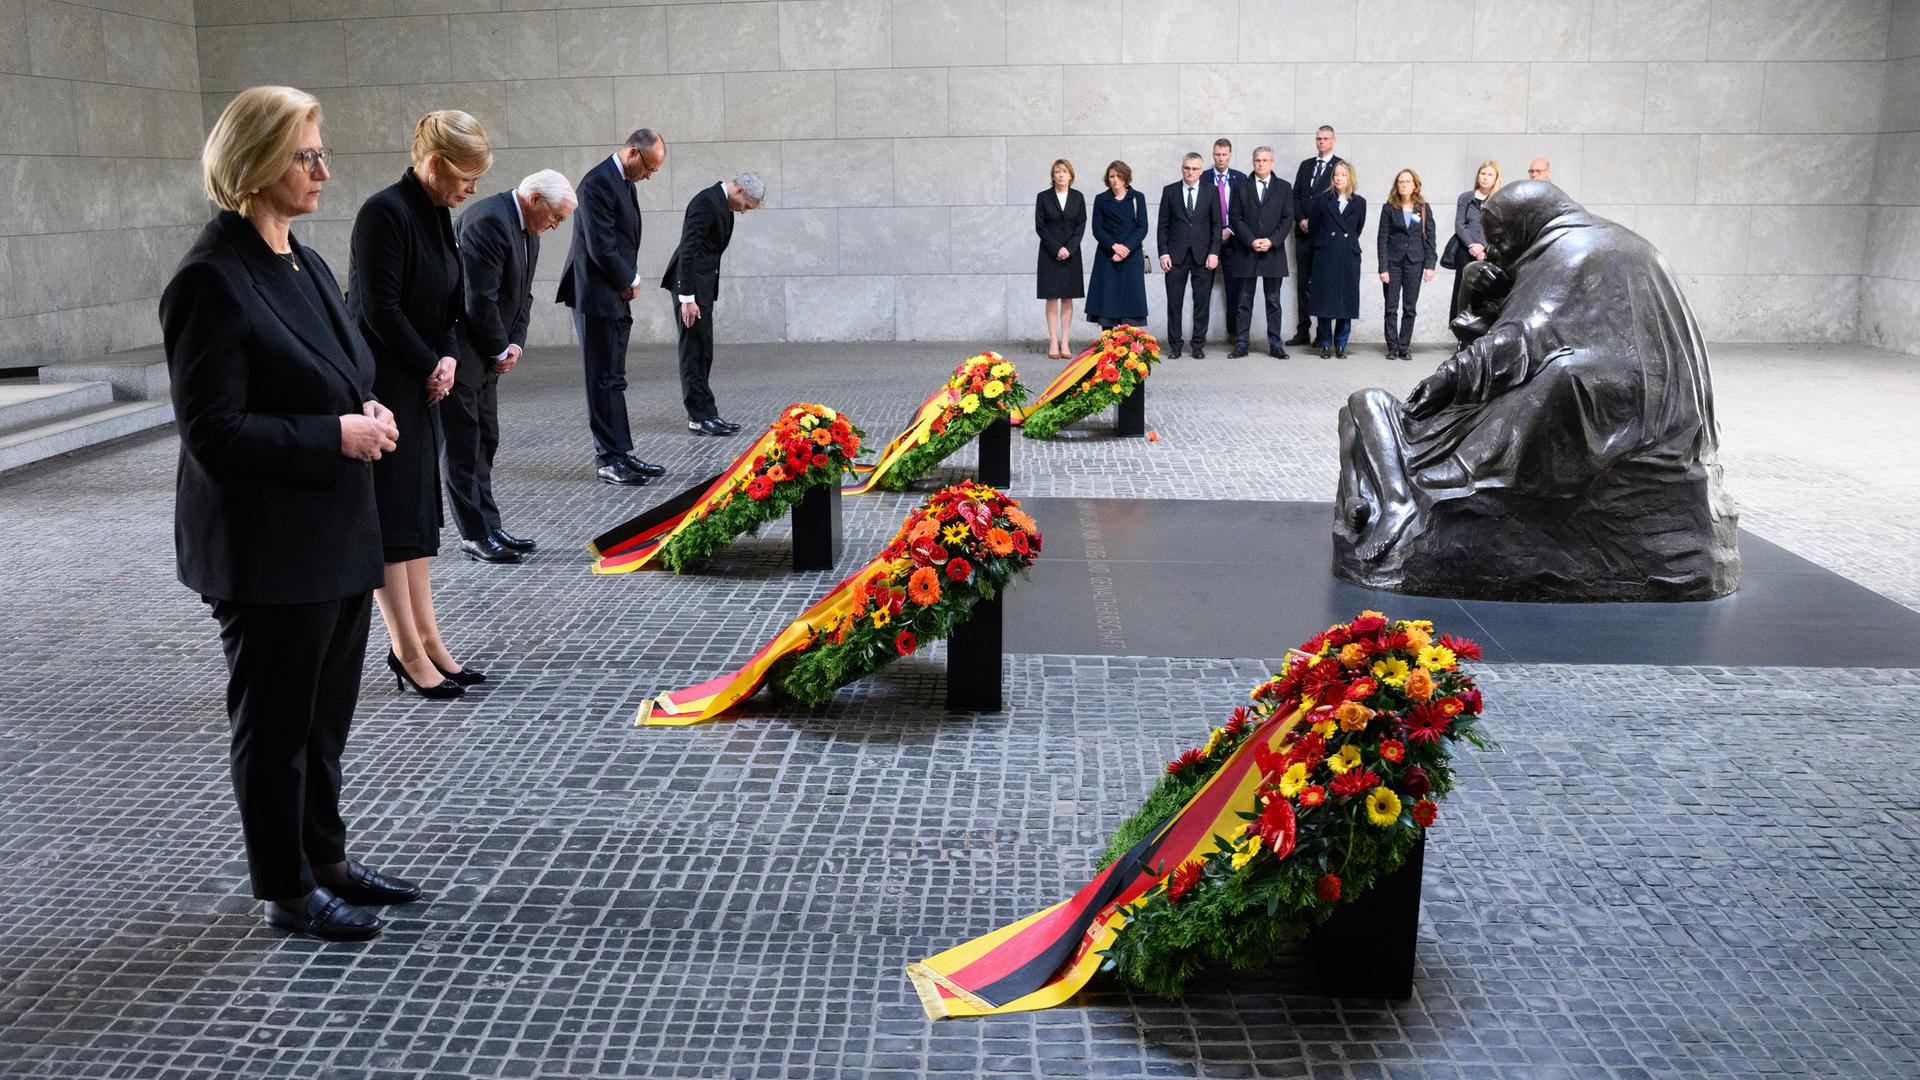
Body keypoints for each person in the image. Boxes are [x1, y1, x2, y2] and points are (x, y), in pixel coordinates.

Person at [163, 84, 419, 942]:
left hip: (335, 536)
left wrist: (370, 413)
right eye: (307, 156)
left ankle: (328, 860)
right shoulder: (210, 278)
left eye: (320, 153)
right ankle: (286, 886)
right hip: (267, 551)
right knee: (276, 732)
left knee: (324, 723)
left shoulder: (301, 260)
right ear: (258, 162)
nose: (323, 170)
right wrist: (332, 435)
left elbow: (342, 369)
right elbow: (213, 432)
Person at [348, 110, 488, 701]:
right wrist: (431, 362)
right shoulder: (385, 213)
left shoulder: (437, 214)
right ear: (433, 164)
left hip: (425, 380)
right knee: (393, 522)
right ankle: (405, 649)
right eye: (466, 178)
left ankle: (430, 640)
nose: (472, 192)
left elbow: (451, 304)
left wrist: (449, 357)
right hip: (387, 388)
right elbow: (376, 308)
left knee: (417, 520)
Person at [446, 169, 575, 564]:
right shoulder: (488, 221)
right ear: (535, 199)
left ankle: (490, 525)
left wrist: (515, 343)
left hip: (489, 353)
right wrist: (500, 349)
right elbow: (478, 299)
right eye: (555, 217)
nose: (554, 227)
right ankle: (474, 535)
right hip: (465, 351)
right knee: (464, 446)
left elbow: (523, 295)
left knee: (487, 439)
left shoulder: (526, 229)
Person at [557, 129, 668, 485]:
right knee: (601, 378)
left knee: (614, 378)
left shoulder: (622, 181)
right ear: (634, 152)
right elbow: (600, 246)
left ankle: (622, 452)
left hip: (611, 295)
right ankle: (607, 458)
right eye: (649, 167)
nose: (649, 175)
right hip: (595, 295)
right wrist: (629, 280)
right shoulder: (597, 183)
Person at [663, 172, 763, 436]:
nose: (743, 212)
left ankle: (707, 412)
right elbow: (688, 249)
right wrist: (687, 298)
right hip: (690, 291)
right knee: (693, 351)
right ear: (740, 190)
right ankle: (698, 416)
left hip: (702, 289)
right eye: (746, 206)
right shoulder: (705, 202)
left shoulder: (724, 206)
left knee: (703, 351)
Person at [1225, 146, 1292, 358]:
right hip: (1247, 251)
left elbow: (1287, 218)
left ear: (1272, 162)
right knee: (1243, 300)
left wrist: (1271, 241)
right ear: (1253, 162)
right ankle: (1241, 344)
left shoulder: (1283, 187)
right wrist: (1251, 240)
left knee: (1273, 301)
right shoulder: (1240, 186)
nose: (1260, 164)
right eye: (1257, 160)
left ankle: (1275, 345)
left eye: (1265, 160)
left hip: (1273, 252)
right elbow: (1235, 217)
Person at [1156, 152, 1221, 359]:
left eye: (1194, 168)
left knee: (1202, 301)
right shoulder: (1170, 191)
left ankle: (1198, 345)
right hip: (1175, 256)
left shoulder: (1211, 191)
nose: (1190, 172)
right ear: (1182, 168)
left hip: (1203, 257)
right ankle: (1175, 345)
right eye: (1186, 168)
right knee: (1174, 302)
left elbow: (1216, 225)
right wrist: (1163, 253)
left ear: (1201, 170)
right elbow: (1162, 226)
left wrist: (1214, 252)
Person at [1290, 125, 1344, 347]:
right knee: (1303, 284)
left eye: (1325, 138)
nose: (1321, 142)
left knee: (1323, 284)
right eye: (1318, 139)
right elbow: (1296, 196)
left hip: (1324, 236)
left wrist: (1316, 222)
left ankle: (1323, 335)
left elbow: (1339, 199)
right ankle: (1303, 331)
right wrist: (1301, 219)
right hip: (1303, 235)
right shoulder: (1306, 165)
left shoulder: (1339, 167)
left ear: (1333, 139)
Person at [1306, 161, 1365, 358]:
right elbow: (1314, 228)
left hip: (1348, 256)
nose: (1339, 178)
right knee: (1325, 302)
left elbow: (1357, 229)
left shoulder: (1359, 202)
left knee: (1345, 303)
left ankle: (1341, 344)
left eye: (1343, 175)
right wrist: (1325, 246)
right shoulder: (1322, 200)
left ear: (1350, 178)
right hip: (1326, 255)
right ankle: (1324, 343)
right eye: (1336, 175)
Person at [1376, 168, 1437, 361]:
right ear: (1396, 185)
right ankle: (1392, 347)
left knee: (1409, 308)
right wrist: (1383, 267)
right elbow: (1382, 238)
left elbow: (1430, 238)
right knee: (1391, 307)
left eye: (1407, 181)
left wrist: (1430, 265)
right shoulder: (1389, 208)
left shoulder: (1423, 207)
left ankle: (1404, 347)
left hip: (1415, 262)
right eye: (1400, 181)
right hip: (1393, 263)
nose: (1404, 184)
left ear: (1415, 185)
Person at [1084, 160, 1149, 330]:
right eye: (1111, 176)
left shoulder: (1137, 198)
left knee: (1130, 301)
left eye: (1118, 176)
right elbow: (1096, 228)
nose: (1114, 180)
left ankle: (1129, 347)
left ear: (1125, 178)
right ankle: (1107, 346)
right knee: (1107, 300)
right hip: (1107, 256)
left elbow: (1142, 227)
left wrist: (1124, 249)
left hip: (1131, 256)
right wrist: (1114, 247)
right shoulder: (1101, 199)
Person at [1035, 159, 1086, 359]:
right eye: (1057, 172)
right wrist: (1057, 248)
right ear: (1053, 176)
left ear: (1071, 175)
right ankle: (1053, 341)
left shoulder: (1078, 197)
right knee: (1051, 297)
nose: (1061, 175)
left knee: (1067, 297)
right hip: (1049, 253)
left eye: (1064, 171)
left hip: (1072, 254)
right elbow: (1041, 226)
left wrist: (1069, 249)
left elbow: (1081, 225)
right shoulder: (1043, 197)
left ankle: (1065, 341)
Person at [1204, 138, 1246, 350]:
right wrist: (1215, 233)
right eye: (1217, 154)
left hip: (1234, 240)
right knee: (1203, 288)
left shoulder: (1241, 178)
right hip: (1208, 241)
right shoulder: (1202, 177)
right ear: (1213, 154)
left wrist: (1229, 230)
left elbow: (1245, 211)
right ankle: (1199, 336)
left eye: (1224, 154)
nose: (1220, 158)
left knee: (1234, 289)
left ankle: (1234, 332)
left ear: (1230, 155)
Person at [1451, 160, 1501, 320]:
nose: (1485, 177)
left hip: (1488, 253)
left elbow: (1498, 227)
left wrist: (1483, 246)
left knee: (1483, 291)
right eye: (1483, 173)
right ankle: (1458, 327)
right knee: (1461, 290)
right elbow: (1459, 224)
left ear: (1496, 178)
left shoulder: (1498, 200)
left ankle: (1479, 330)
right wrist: (1472, 245)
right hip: (1465, 250)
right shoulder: (1465, 198)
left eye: (1490, 174)